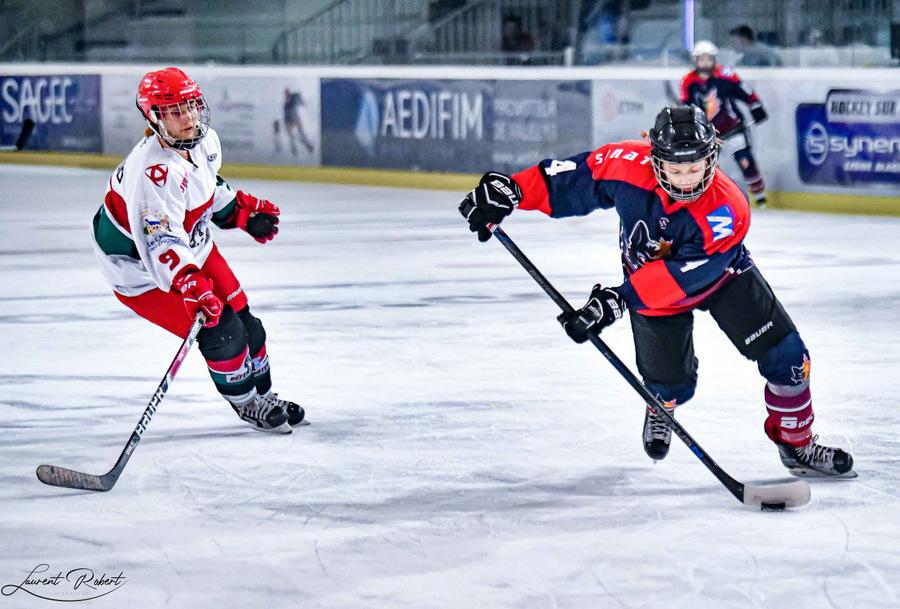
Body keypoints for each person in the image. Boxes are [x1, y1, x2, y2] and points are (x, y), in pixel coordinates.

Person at [459, 105, 855, 478]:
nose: (686, 180)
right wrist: (513, 190)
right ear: (654, 159)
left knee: (789, 360)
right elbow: (574, 179)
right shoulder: (626, 164)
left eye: (695, 168)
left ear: (712, 158)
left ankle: (797, 446)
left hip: (722, 278)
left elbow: (681, 278)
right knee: (671, 385)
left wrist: (618, 300)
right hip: (648, 290)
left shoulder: (727, 208)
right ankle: (662, 402)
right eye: (675, 169)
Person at [90, 67, 306, 434]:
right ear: (155, 118)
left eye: (190, 106)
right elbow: (160, 240)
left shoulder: (204, 142)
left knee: (250, 327)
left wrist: (239, 213)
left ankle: (266, 396)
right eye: (175, 111)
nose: (188, 117)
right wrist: (191, 284)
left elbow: (205, 187)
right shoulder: (151, 173)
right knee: (223, 332)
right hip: (140, 272)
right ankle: (248, 404)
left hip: (194, 245)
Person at [681, 40, 769, 207]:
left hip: (733, 126)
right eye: (701, 59)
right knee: (706, 166)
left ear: (714, 59)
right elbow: (686, 106)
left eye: (709, 59)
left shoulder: (725, 74)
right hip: (707, 132)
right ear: (696, 60)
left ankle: (759, 195)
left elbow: (745, 91)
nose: (705, 63)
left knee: (745, 160)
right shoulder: (688, 81)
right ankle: (706, 198)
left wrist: (755, 106)